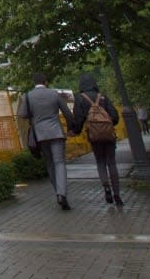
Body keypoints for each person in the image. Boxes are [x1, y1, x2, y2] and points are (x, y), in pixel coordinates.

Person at [18, 72, 74, 210]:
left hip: (40, 135)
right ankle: (62, 193)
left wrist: (35, 115)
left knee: (50, 163)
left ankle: (57, 192)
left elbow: (22, 114)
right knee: (59, 162)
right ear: (46, 82)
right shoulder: (54, 94)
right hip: (56, 132)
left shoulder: (28, 96)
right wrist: (71, 128)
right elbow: (67, 112)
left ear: (34, 82)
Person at [71, 73, 123, 207]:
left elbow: (78, 118)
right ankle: (117, 194)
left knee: (100, 161)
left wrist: (75, 131)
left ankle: (106, 185)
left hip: (94, 135)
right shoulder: (103, 97)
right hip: (109, 134)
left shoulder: (80, 98)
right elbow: (115, 116)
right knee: (112, 162)